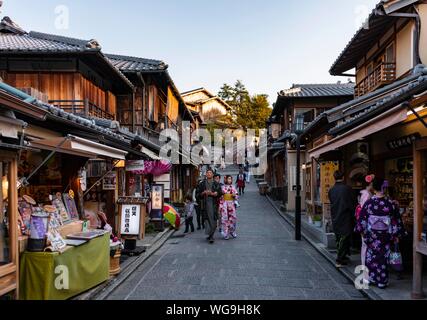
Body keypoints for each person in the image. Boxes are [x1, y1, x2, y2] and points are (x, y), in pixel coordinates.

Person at [355, 177, 406, 289]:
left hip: (372, 235)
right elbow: (395, 221)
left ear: (374, 188)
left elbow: (362, 219)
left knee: (371, 257)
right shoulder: (390, 204)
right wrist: (396, 234)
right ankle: (382, 280)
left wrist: (362, 231)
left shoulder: (369, 203)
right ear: (385, 188)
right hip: (385, 236)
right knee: (383, 257)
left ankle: (371, 278)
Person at [328, 171, 357, 268]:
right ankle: (339, 259)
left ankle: (343, 256)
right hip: (345, 216)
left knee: (339, 237)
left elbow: (331, 202)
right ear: (343, 177)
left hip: (335, 215)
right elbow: (353, 203)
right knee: (344, 237)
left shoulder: (331, 190)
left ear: (334, 178)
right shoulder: (347, 189)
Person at [196, 168, 223, 244]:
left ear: (212, 174)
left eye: (210, 173)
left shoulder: (216, 183)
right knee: (207, 220)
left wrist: (215, 194)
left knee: (214, 220)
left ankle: (211, 235)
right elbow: (197, 194)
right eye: (207, 173)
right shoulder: (202, 184)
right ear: (206, 174)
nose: (209, 174)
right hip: (205, 203)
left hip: (213, 203)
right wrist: (203, 193)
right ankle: (210, 235)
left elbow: (220, 192)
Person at [355, 174, 375, 278]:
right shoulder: (367, 195)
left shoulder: (366, 194)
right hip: (367, 224)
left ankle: (366, 269)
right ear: (370, 184)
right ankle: (366, 270)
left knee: (365, 247)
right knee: (366, 247)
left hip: (366, 223)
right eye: (372, 183)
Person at [220, 175, 239, 240]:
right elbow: (221, 197)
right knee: (225, 219)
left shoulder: (233, 187)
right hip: (225, 204)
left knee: (233, 219)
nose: (229, 180)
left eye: (230, 179)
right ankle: (226, 233)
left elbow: (236, 195)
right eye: (228, 179)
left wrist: (234, 196)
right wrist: (220, 206)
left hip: (231, 204)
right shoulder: (222, 187)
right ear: (225, 180)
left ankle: (232, 231)